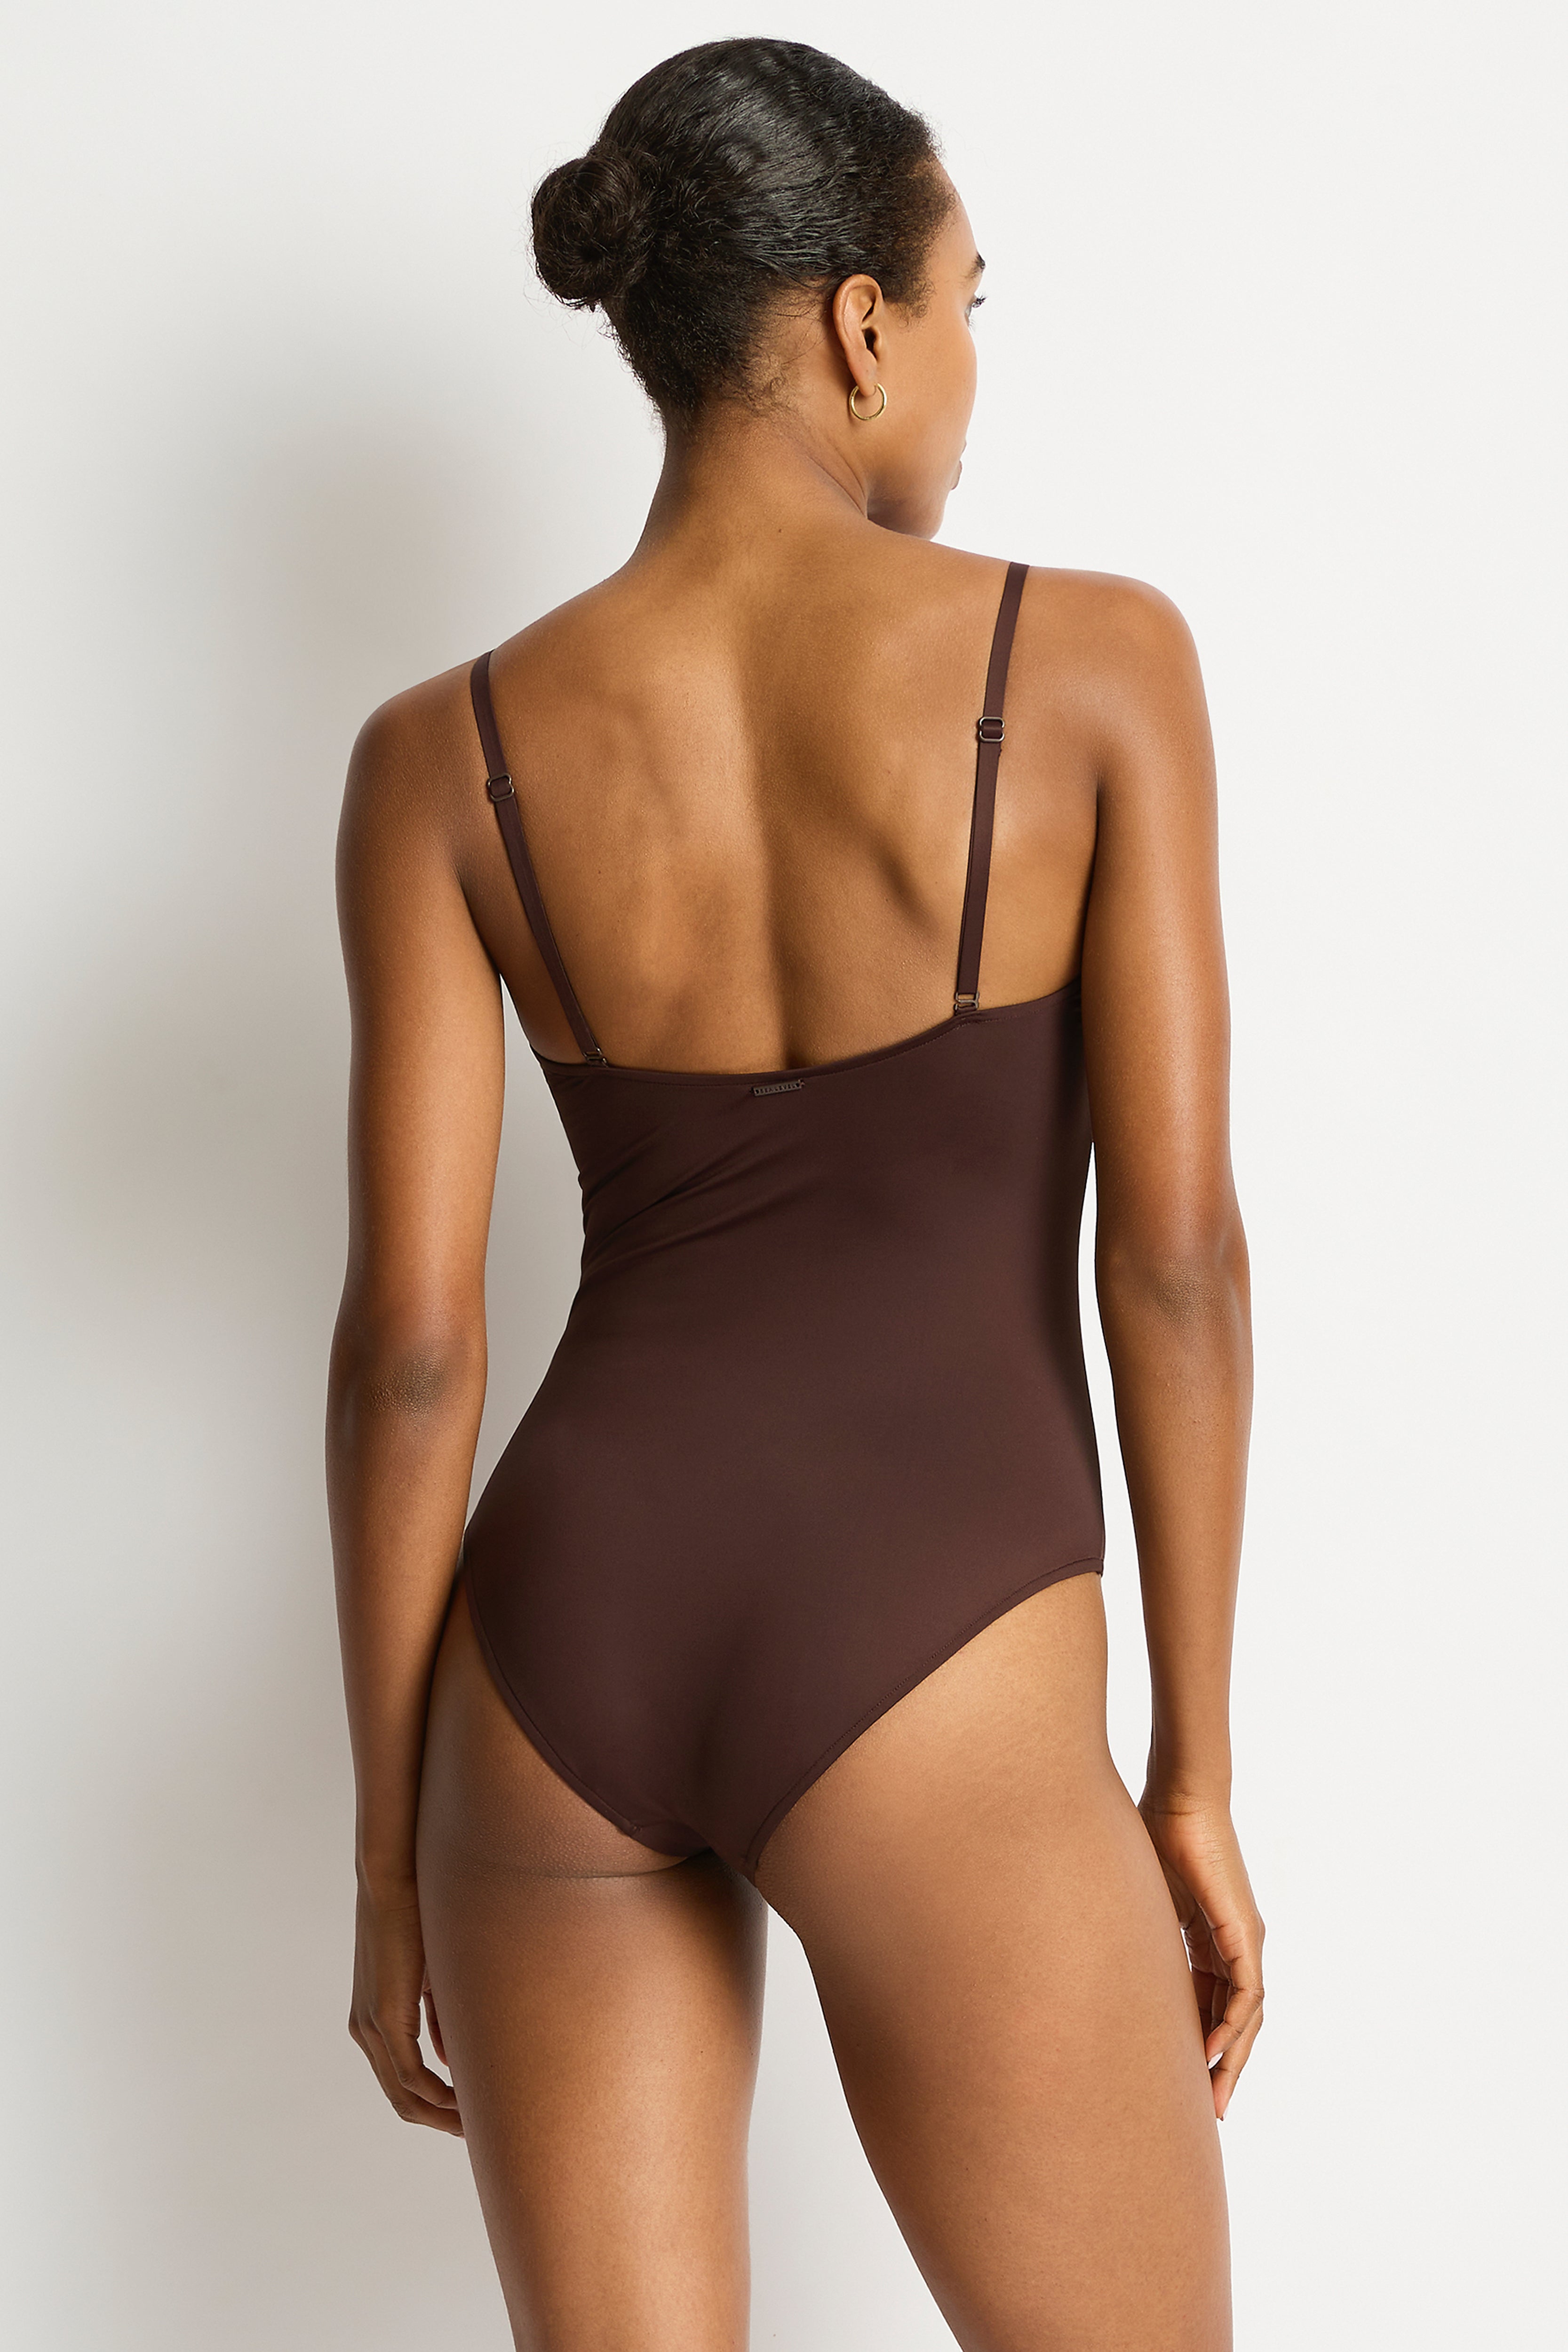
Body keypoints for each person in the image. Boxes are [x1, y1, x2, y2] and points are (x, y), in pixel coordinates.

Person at [327, 35, 1262, 2351]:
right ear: (861, 323)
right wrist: (1194, 1769)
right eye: (966, 302)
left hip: (558, 1655)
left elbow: (413, 1352)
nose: (968, 367)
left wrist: (389, 1846)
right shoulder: (1095, 668)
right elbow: (1174, 1261)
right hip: (934, 1625)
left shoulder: (438, 757)